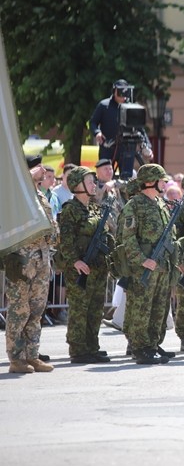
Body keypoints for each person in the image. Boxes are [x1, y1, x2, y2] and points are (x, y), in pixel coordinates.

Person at [2, 156, 57, 373]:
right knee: (19, 310)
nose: (43, 170)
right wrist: (26, 179)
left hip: (42, 259)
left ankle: (32, 355)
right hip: (23, 260)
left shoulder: (41, 195)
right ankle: (16, 359)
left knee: (36, 310)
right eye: (38, 167)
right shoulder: (17, 194)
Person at [119, 163, 178, 365]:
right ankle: (139, 347)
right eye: (161, 180)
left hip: (162, 266)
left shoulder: (161, 204)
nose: (165, 183)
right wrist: (142, 260)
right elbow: (128, 238)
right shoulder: (134, 205)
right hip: (144, 267)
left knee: (159, 308)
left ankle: (152, 343)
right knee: (141, 308)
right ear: (151, 182)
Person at [57, 166, 115, 363]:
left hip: (98, 268)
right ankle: (78, 349)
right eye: (89, 181)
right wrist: (75, 261)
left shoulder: (94, 208)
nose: (93, 185)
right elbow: (65, 240)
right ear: (78, 185)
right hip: (80, 268)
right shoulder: (70, 210)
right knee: (80, 309)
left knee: (95, 309)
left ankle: (92, 346)